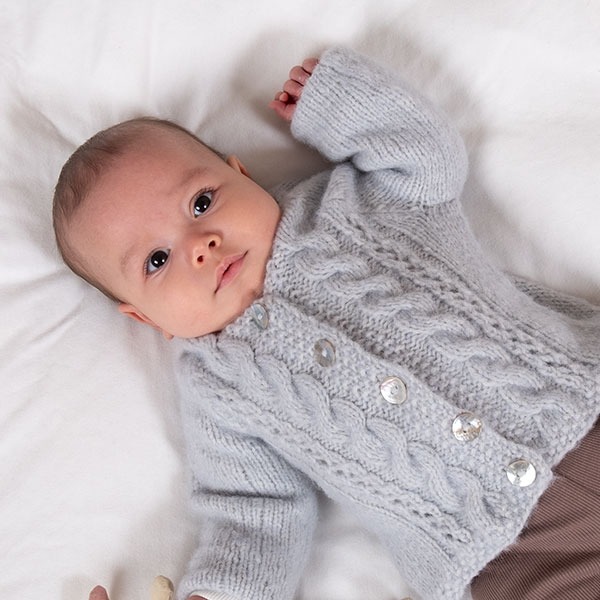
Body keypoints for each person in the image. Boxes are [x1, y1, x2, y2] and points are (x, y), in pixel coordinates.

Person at [52, 48, 600, 600]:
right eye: (157, 260)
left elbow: (430, 161)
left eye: (201, 203)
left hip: (581, 402)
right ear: (146, 318)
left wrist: (342, 103)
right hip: (504, 560)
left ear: (241, 174)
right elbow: (255, 512)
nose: (200, 245)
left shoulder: (355, 204)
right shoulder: (218, 392)